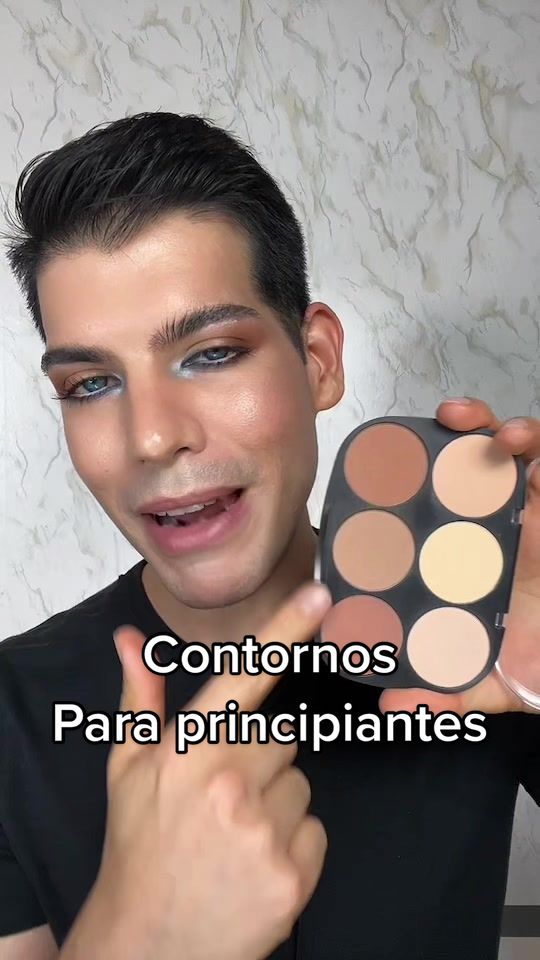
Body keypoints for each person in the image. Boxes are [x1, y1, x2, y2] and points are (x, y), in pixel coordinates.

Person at [0, 111, 538, 960]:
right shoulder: (14, 710)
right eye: (92, 383)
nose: (152, 436)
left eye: (211, 353)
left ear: (318, 359)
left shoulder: (475, 636)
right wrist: (132, 938)